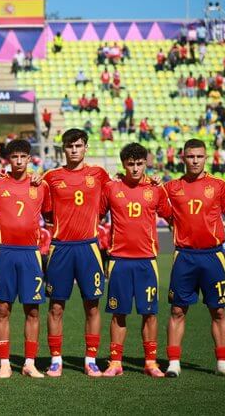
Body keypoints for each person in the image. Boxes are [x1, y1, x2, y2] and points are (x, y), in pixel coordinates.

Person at [162, 139, 225, 378]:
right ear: (183, 158)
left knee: (218, 311)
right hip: (184, 256)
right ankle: (174, 363)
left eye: (199, 156)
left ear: (206, 158)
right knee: (178, 310)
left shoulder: (218, 185)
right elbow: (150, 197)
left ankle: (222, 363)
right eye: (191, 156)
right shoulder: (171, 187)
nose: (195, 161)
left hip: (212, 256)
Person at [98, 143, 172, 378]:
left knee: (149, 313)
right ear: (123, 164)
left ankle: (150, 362)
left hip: (146, 261)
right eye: (130, 164)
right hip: (119, 260)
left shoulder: (155, 189)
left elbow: (171, 216)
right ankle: (115, 362)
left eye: (140, 163)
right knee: (118, 313)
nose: (135, 168)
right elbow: (96, 214)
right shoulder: (111, 188)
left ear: (145, 163)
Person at [42, 128, 112, 377]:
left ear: (86, 148)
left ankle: (91, 359)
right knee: (56, 307)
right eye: (70, 146)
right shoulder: (51, 177)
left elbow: (111, 198)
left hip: (88, 248)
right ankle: (56, 360)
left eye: (78, 146)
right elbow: (46, 212)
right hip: (60, 248)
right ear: (63, 149)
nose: (74, 150)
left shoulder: (99, 174)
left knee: (92, 306)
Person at [0, 139, 51, 379]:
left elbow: (50, 215)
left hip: (31, 254)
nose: (19, 161)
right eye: (14, 157)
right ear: (8, 160)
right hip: (5, 253)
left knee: (33, 310)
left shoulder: (40, 185)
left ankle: (30, 363)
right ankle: (4, 363)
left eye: (23, 157)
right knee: (3, 309)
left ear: (29, 159)